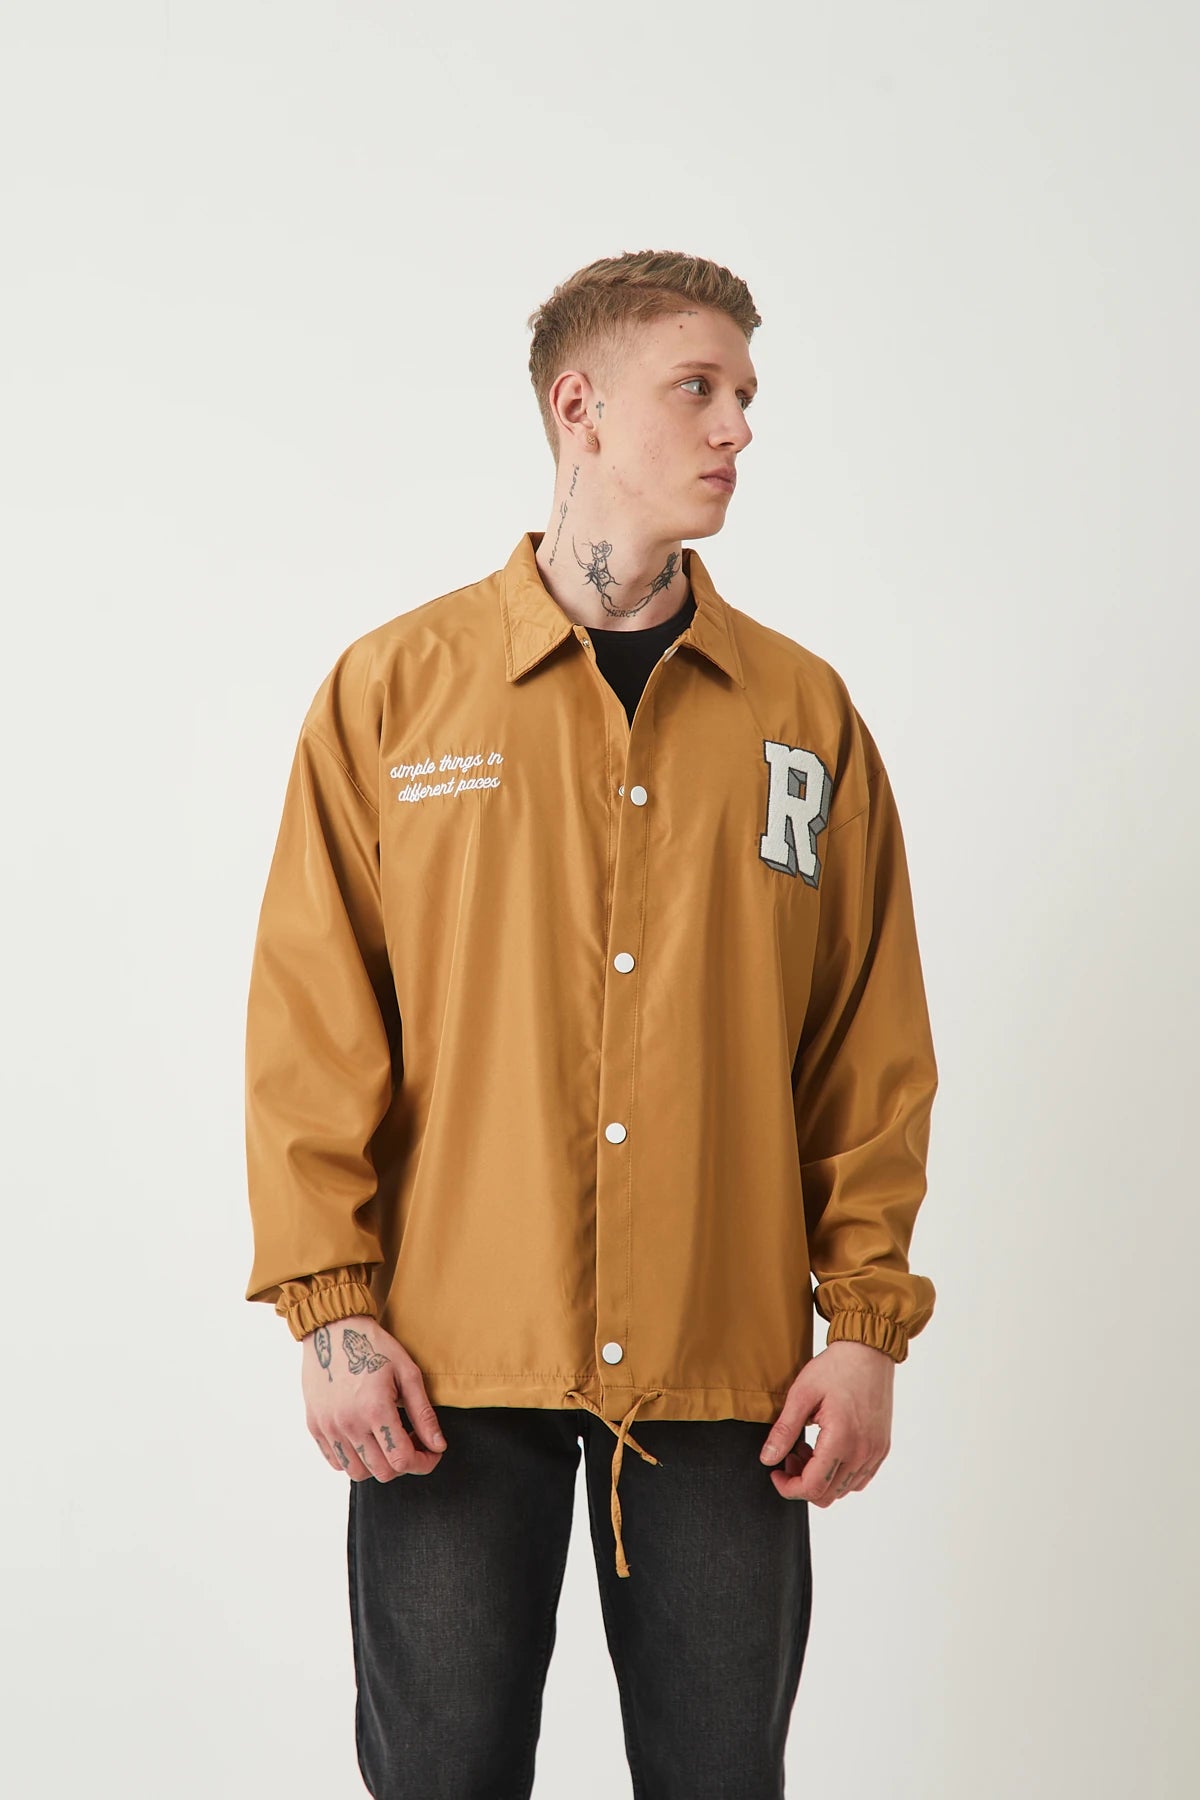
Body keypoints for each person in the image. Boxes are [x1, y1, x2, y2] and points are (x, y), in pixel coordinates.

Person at [243, 248, 939, 1799]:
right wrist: (330, 1314)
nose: (737, 428)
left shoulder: (803, 719)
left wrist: (864, 1327)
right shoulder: (394, 694)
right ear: (581, 407)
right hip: (443, 1367)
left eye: (745, 394)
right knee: (442, 1775)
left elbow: (866, 1043)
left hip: (725, 1368)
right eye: (699, 388)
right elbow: (312, 1024)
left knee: (720, 1778)